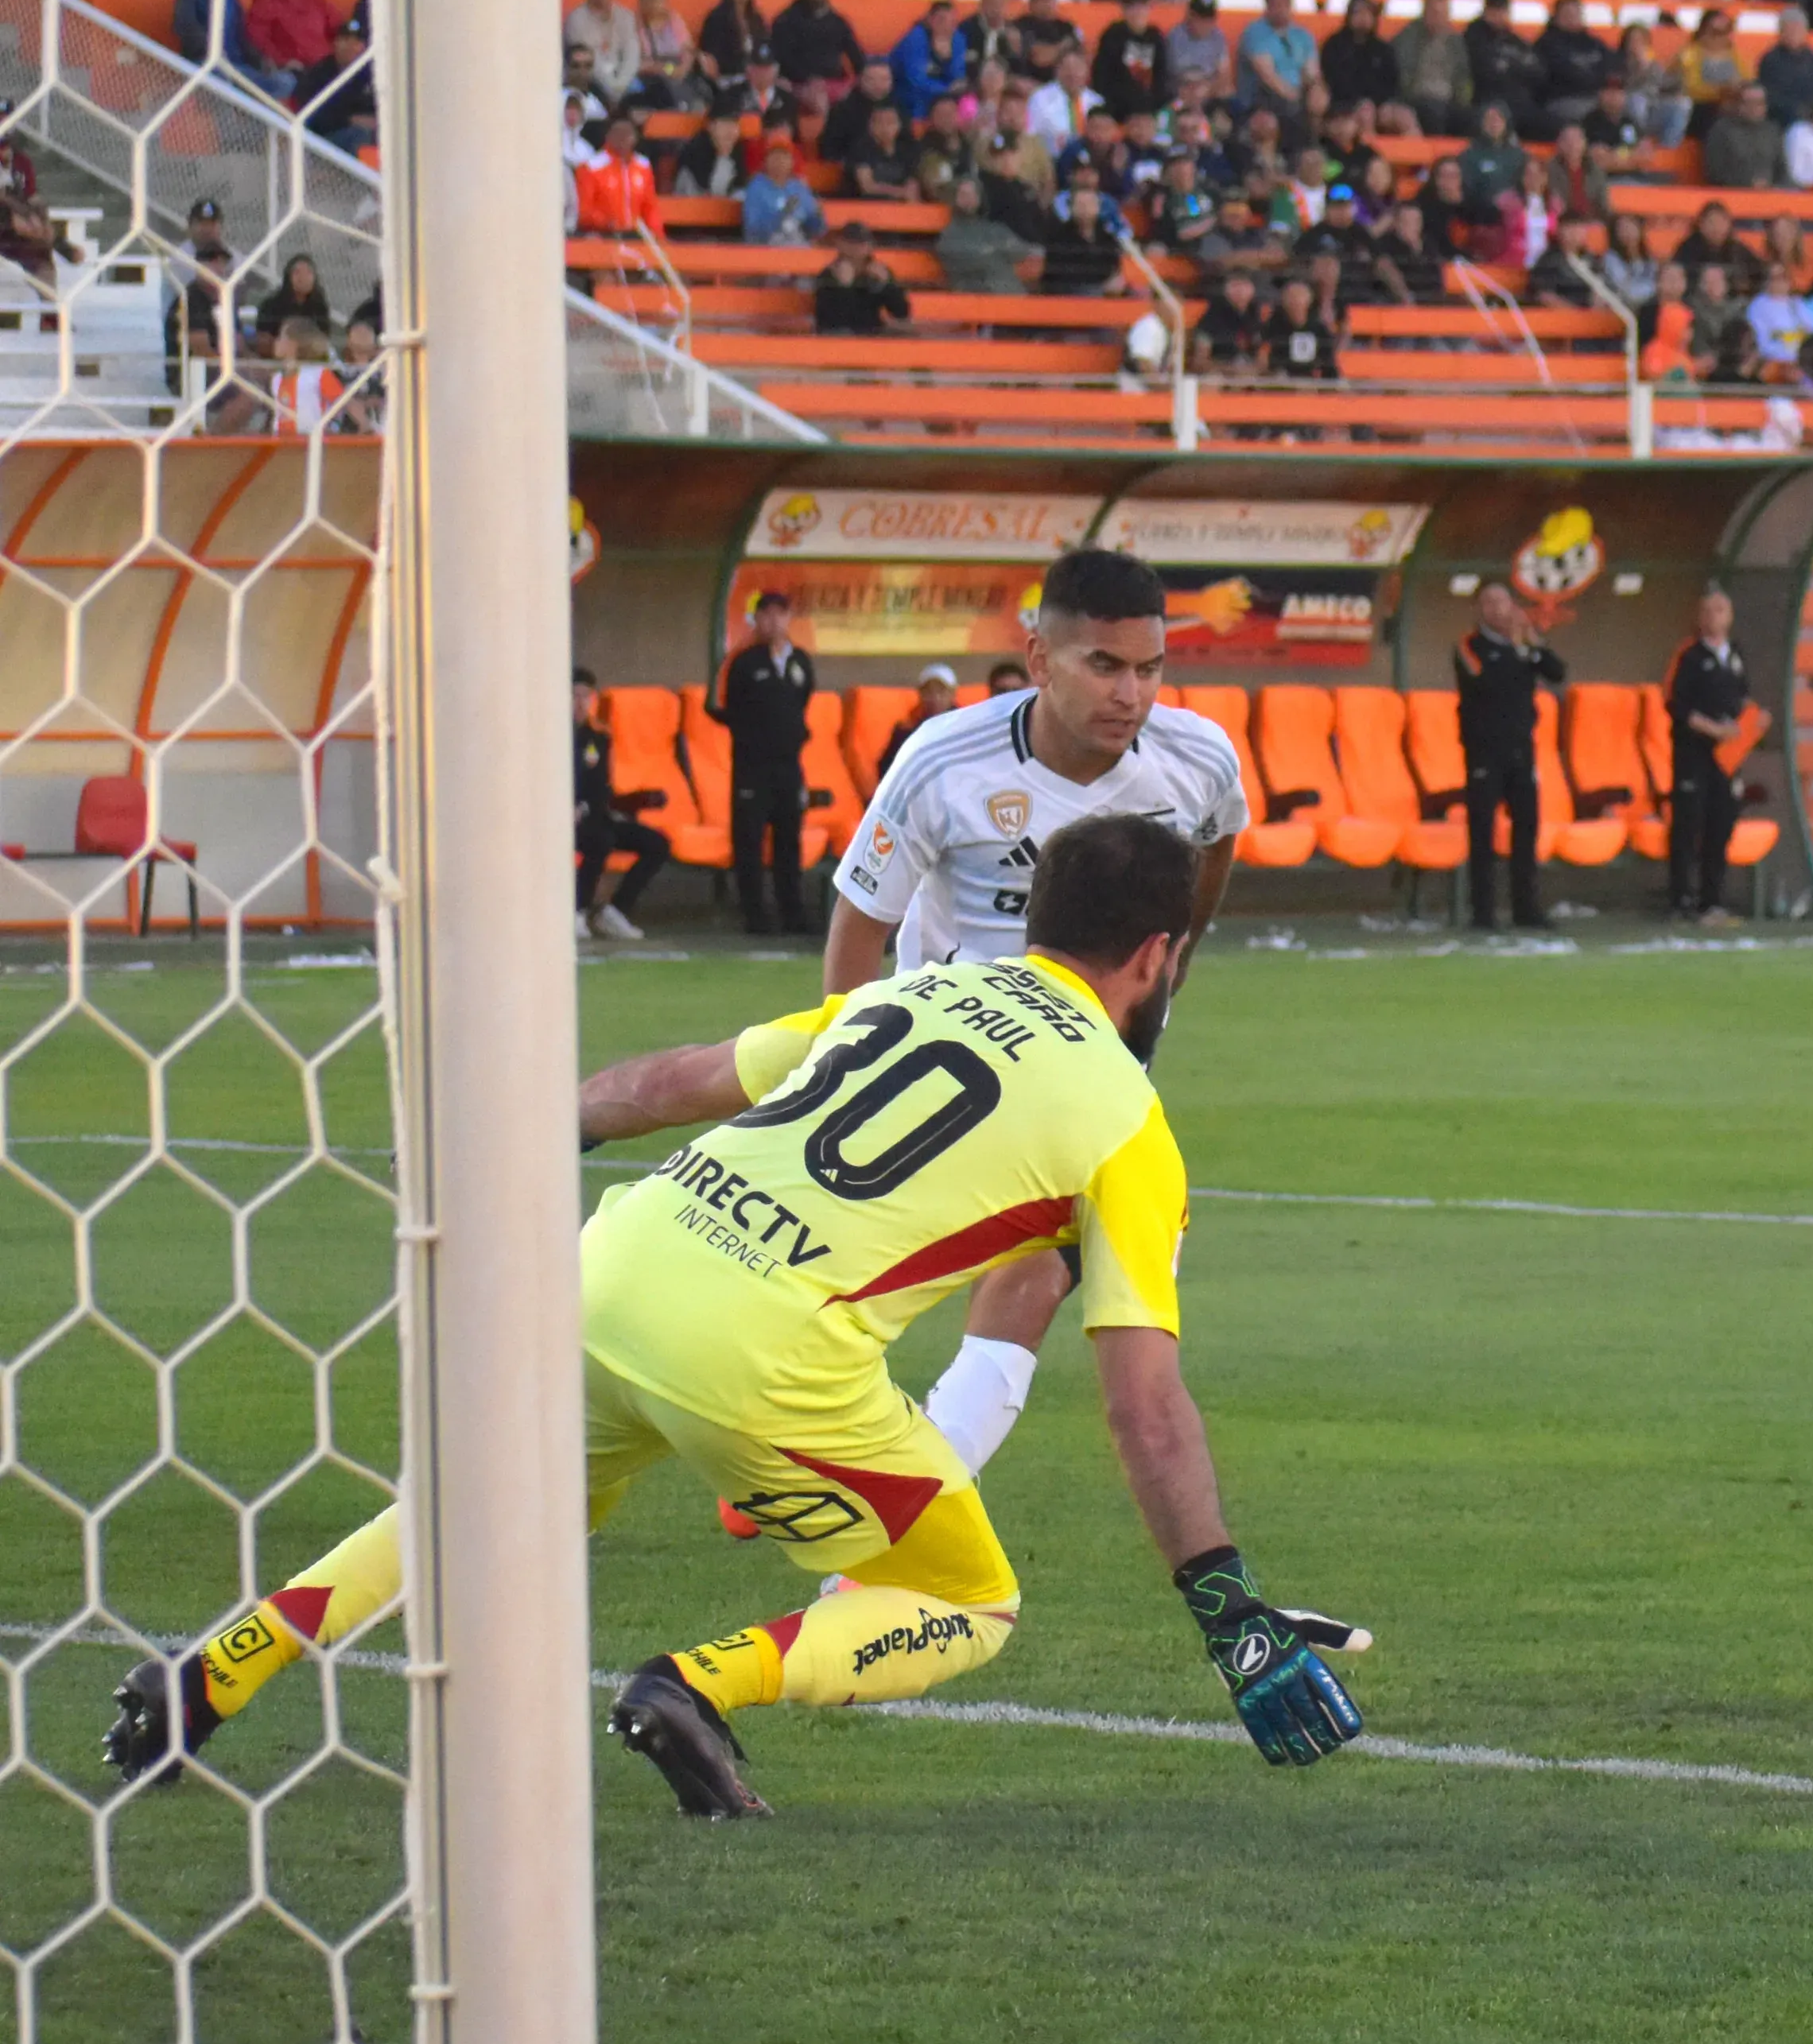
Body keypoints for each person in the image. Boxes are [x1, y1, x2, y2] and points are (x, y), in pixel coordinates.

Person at [107, 816, 1372, 1817]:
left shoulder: (907, 998)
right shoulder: (1130, 1124)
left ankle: (216, 1669)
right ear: (1158, 954)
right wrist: (1228, 1610)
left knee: (482, 1512)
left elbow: (671, 1081)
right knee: (968, 1599)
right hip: (765, 1357)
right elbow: (1145, 1404)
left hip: (610, 1270)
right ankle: (694, 1686)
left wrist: (508, 1139)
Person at [823, 550, 1253, 1458]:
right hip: (943, 1060)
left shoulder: (1197, 758)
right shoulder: (943, 762)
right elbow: (861, 926)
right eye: (1104, 665)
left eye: (1150, 668)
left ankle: (928, 1478)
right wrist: (847, 1065)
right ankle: (794, 1426)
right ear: (1039, 659)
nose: (1130, 694)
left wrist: (1176, 959)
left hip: (1092, 1071)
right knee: (846, 1270)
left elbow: (1217, 842)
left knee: (1044, 1267)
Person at [1454, 578, 1566, 931]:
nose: (1497, 609)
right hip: (1484, 750)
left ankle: (1526, 908)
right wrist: (1519, 654)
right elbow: (1486, 682)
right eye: (1489, 603)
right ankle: (1483, 912)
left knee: (1527, 827)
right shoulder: (1469, 646)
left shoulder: (1524, 645)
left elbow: (1557, 672)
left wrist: (1531, 645)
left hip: (1521, 749)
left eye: (1502, 602)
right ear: (1479, 609)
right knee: (1482, 830)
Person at [708, 590, 818, 937]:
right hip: (752, 768)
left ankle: (793, 914)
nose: (773, 621)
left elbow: (802, 701)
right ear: (756, 619)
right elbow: (719, 706)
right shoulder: (743, 661)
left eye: (780, 614)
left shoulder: (800, 661)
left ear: (788, 619)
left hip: (789, 766)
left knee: (789, 841)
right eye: (766, 614)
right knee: (750, 842)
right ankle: (755, 916)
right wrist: (752, 732)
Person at [1664, 586, 1749, 921]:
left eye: (1720, 610)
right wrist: (1712, 729)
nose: (1714, 617)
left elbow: (1743, 698)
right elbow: (1676, 705)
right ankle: (1680, 898)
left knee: (1721, 823)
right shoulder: (1689, 656)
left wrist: (1749, 724)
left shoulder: (1736, 655)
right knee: (1688, 824)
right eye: (1708, 611)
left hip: (1726, 757)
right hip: (1693, 753)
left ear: (1730, 617)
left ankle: (1712, 898)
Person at [573, 669, 666, 942]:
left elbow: (601, 786)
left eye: (586, 696)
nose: (580, 703)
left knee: (657, 844)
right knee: (600, 841)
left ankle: (614, 912)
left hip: (593, 813)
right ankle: (577, 911)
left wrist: (590, 808)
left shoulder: (599, 736)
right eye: (574, 695)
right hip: (559, 819)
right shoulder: (550, 735)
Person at [875, 661, 958, 782]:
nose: (935, 698)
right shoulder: (906, 729)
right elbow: (886, 769)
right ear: (920, 694)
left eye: (941, 691)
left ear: (953, 694)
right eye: (928, 692)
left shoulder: (965, 726)